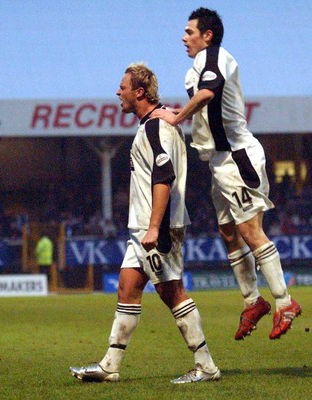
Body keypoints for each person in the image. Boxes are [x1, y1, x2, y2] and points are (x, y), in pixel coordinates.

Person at [151, 8, 301, 340]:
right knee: (228, 233)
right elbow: (203, 105)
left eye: (189, 31)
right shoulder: (195, 68)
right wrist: (179, 114)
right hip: (218, 162)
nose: (183, 37)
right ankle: (253, 301)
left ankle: (284, 302)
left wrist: (176, 119)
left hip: (237, 156)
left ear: (208, 35)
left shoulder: (217, 57)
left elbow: (208, 94)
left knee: (250, 231)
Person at [69, 63, 220, 384]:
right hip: (143, 226)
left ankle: (206, 365)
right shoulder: (158, 123)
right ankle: (110, 365)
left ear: (139, 92)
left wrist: (154, 227)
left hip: (157, 226)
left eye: (122, 87)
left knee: (171, 290)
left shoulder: (155, 127)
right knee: (127, 286)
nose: (117, 92)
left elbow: (164, 176)